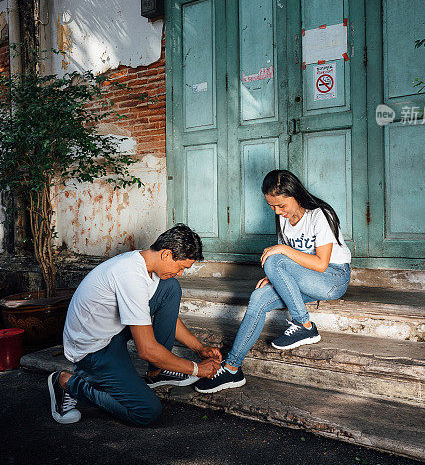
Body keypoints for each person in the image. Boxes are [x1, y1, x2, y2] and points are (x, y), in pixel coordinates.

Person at [195, 170, 351, 394]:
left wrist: (281, 254)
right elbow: (286, 262)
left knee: (274, 257)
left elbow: (320, 264)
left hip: (332, 279)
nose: (277, 211)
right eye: (271, 206)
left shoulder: (321, 215)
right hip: (304, 278)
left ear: (294, 195)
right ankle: (232, 368)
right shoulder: (283, 218)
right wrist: (275, 276)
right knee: (259, 295)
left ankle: (304, 325)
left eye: (281, 206)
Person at [48, 223, 221, 425]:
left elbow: (169, 317)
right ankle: (66, 383)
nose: (180, 273)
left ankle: (157, 371)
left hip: (114, 330)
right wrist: (196, 369)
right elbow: (146, 350)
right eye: (181, 267)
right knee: (146, 411)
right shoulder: (130, 275)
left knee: (170, 288)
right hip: (92, 349)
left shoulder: (148, 266)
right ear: (166, 255)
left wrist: (199, 348)